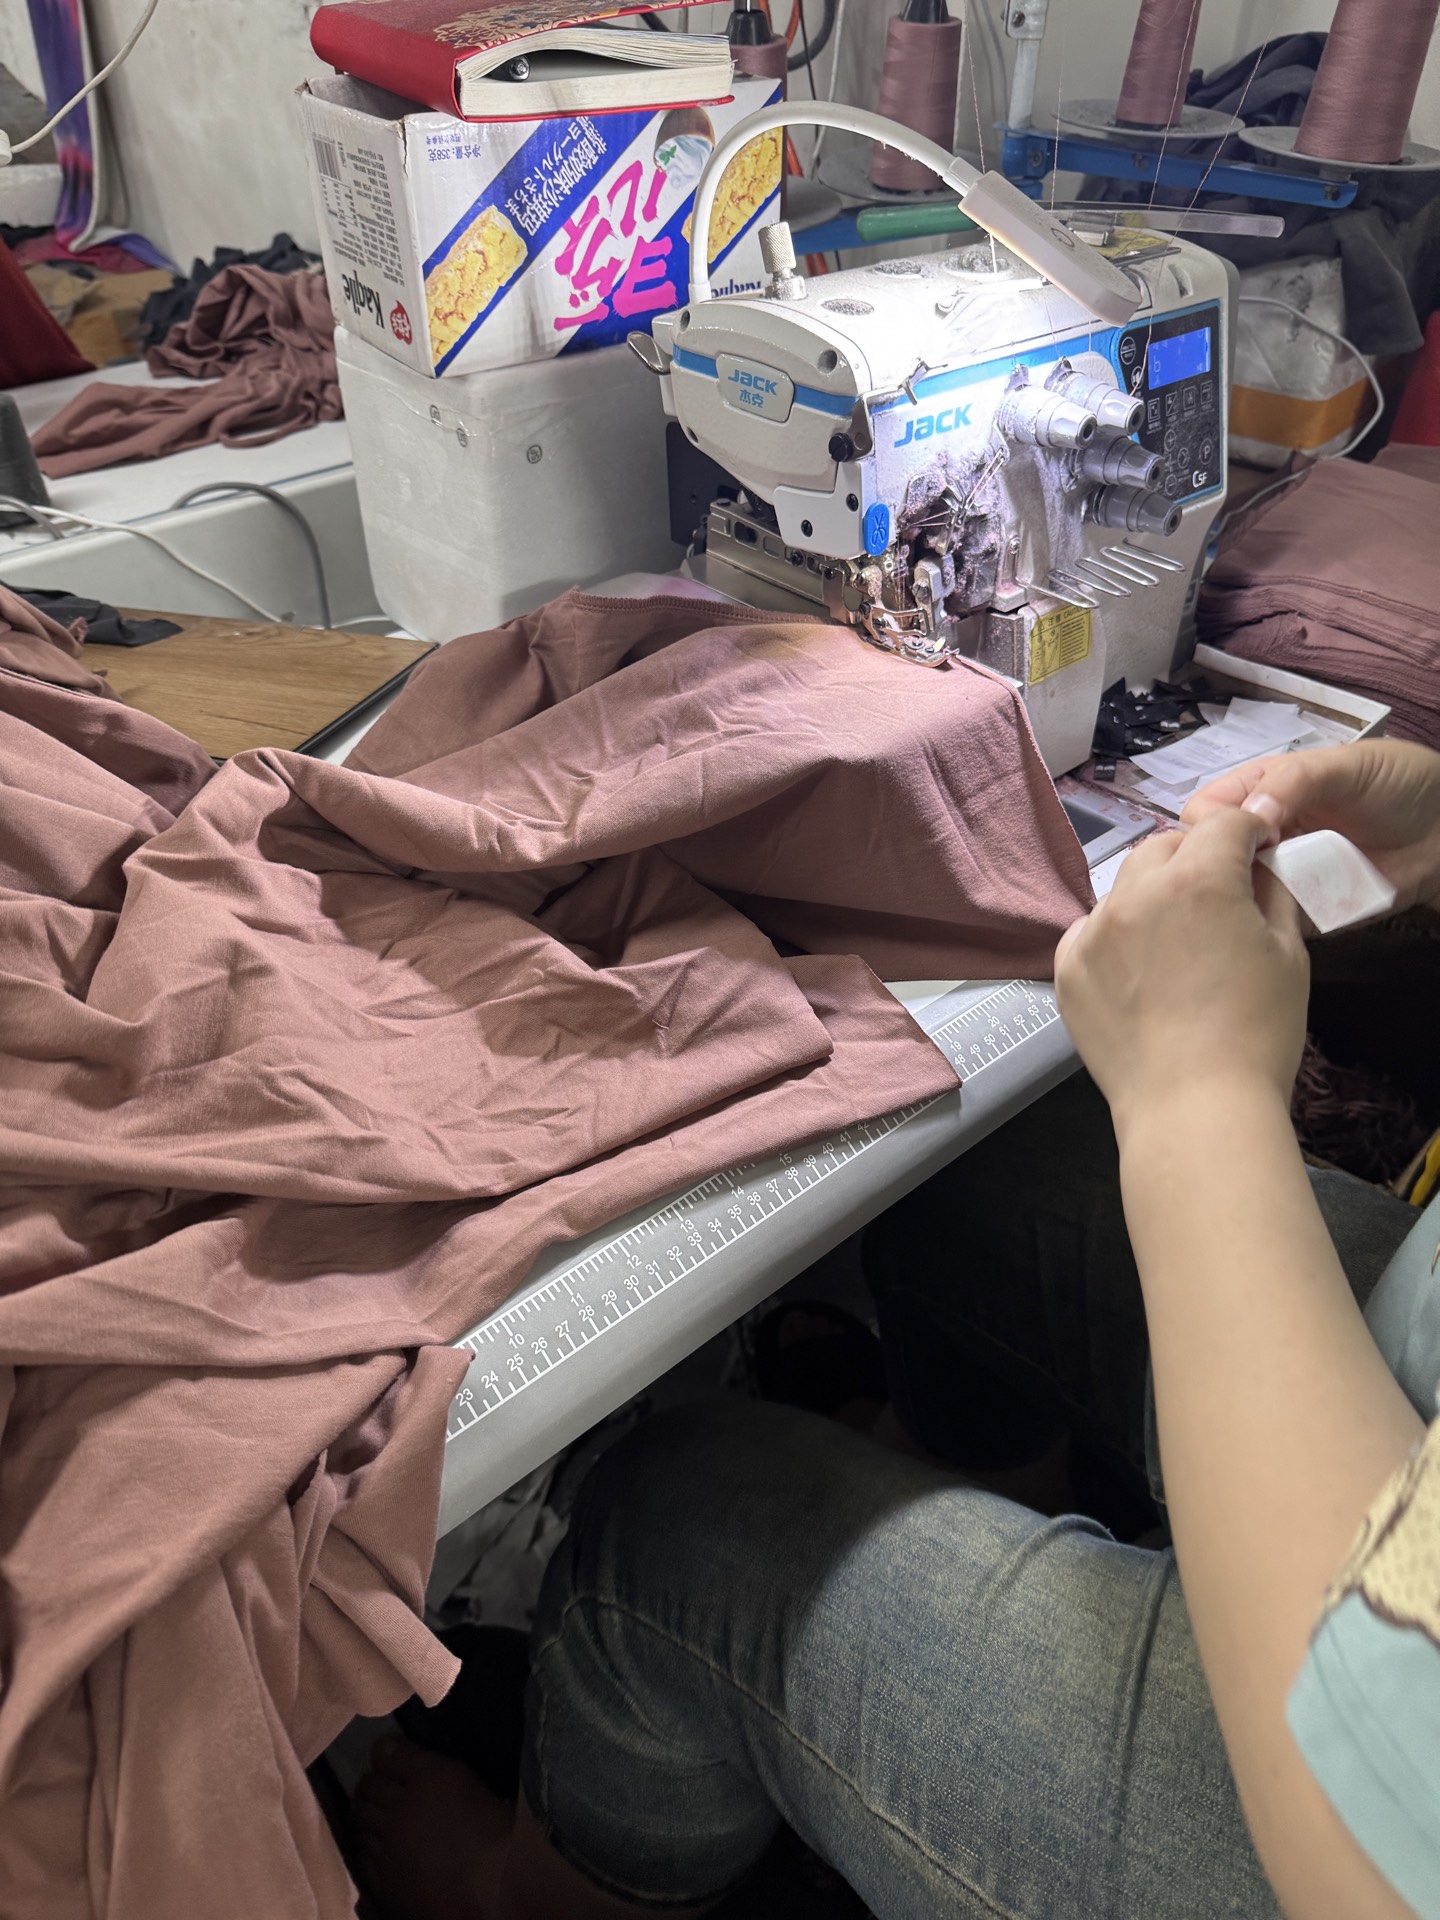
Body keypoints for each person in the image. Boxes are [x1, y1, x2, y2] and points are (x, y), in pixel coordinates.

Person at [353, 738, 1440, 1920]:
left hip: (1375, 1805)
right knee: (981, 1182)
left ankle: (507, 1897)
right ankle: (991, 1500)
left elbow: (1381, 1795)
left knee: (680, 1529)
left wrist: (1196, 1096)